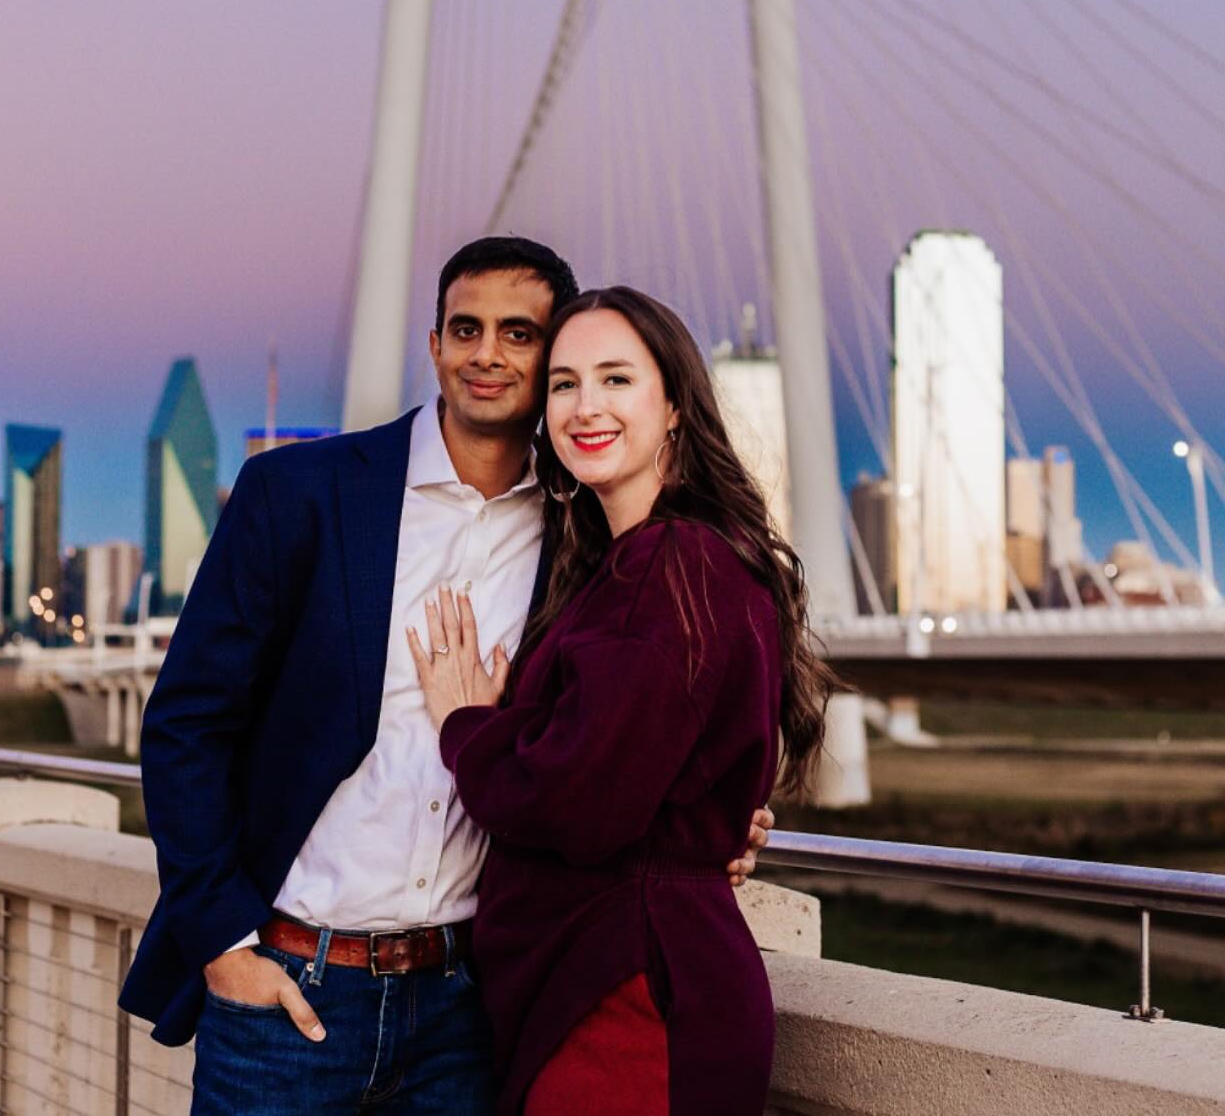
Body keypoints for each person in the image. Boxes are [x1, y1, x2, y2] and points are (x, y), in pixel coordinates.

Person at [120, 237, 774, 1114]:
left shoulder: (582, 536)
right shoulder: (298, 494)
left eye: (518, 333)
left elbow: (627, 721)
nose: (487, 354)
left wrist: (706, 819)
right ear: (433, 346)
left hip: (466, 1008)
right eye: (465, 329)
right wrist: (223, 946)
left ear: (549, 359)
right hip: (290, 988)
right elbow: (185, 725)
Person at [410, 286, 836, 1114]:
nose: (584, 407)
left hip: (626, 998)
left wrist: (467, 727)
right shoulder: (674, 561)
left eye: (616, 379)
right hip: (619, 978)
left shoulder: (668, 565)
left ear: (674, 405)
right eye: (564, 384)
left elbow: (578, 797)